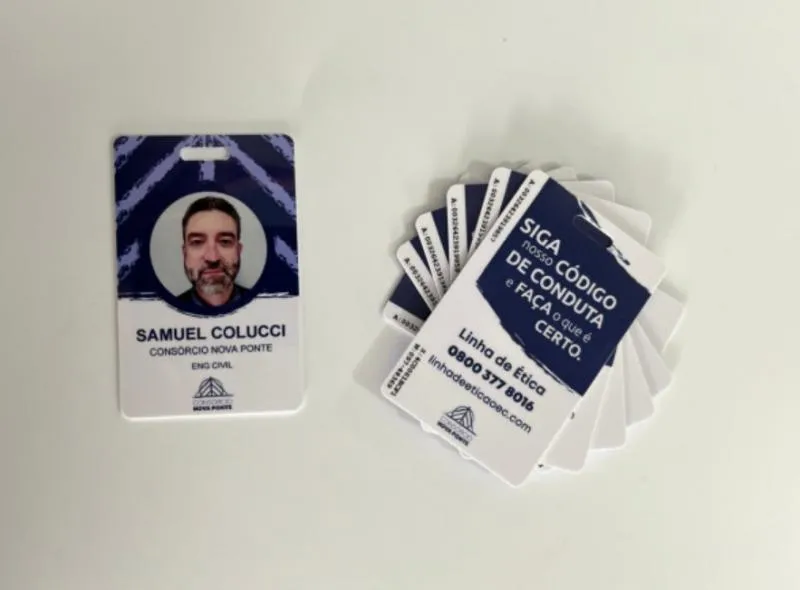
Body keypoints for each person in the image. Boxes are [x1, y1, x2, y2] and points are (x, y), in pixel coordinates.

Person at [177, 196, 249, 307]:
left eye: (225, 241)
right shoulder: (163, 313)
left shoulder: (266, 305)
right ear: (184, 252)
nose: (213, 258)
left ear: (238, 250)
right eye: (197, 242)